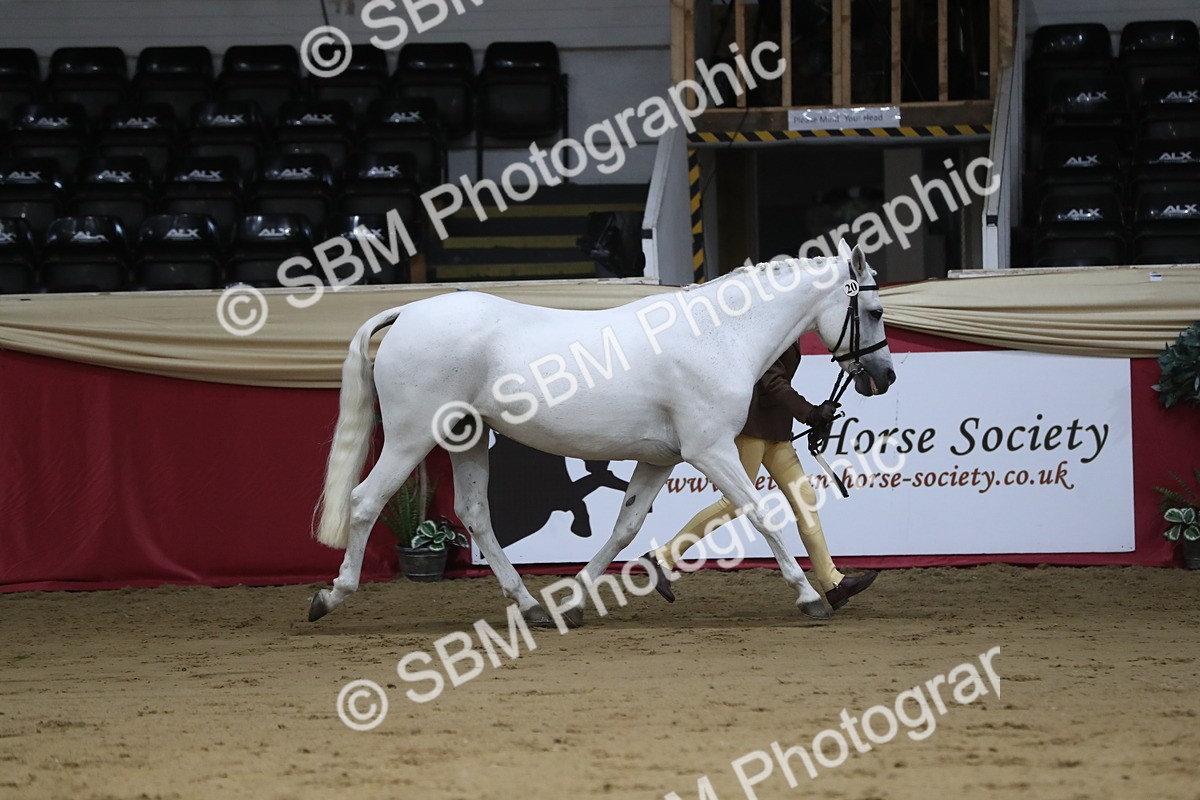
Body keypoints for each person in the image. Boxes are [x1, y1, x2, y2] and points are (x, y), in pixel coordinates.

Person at [641, 340, 877, 611]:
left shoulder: (791, 328)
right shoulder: (774, 328)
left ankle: (832, 581)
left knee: (805, 498)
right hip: (752, 429)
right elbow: (771, 381)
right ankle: (661, 558)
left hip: (777, 431)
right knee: (734, 504)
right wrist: (810, 413)